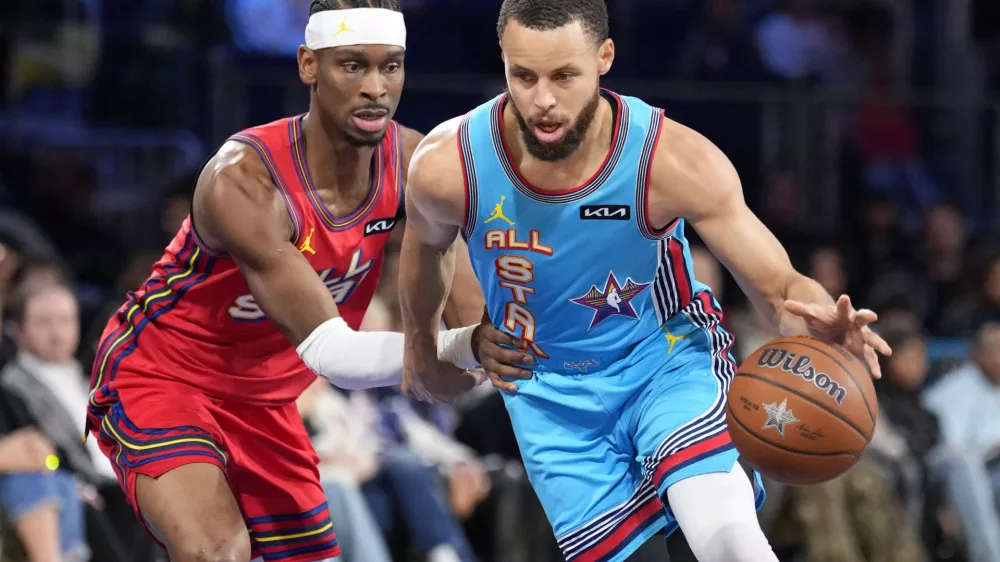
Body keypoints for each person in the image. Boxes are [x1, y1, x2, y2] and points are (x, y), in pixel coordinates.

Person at [397, 1, 892, 561]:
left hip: (664, 359)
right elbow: (426, 247)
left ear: (604, 57)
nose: (543, 100)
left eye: (564, 76)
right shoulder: (448, 163)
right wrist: (423, 343)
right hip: (547, 390)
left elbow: (778, 287)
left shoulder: (671, 158)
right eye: (524, 76)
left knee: (723, 532)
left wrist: (817, 321)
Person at [84, 2, 485, 561]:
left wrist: (501, 354)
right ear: (307, 65)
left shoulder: (417, 163)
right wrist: (461, 351)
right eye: (352, 65)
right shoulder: (243, 180)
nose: (375, 87)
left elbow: (475, 323)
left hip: (267, 398)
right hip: (164, 375)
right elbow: (335, 353)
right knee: (217, 548)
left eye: (390, 67)